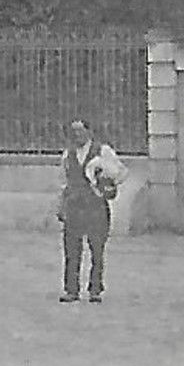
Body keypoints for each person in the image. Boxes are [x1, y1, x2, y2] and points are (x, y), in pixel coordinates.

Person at [57, 118, 127, 303]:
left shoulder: (102, 151)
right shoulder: (67, 154)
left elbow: (120, 172)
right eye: (74, 131)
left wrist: (107, 184)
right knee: (72, 250)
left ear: (89, 132)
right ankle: (71, 289)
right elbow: (64, 182)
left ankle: (95, 289)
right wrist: (61, 205)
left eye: (81, 131)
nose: (77, 135)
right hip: (74, 206)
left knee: (97, 249)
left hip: (95, 206)